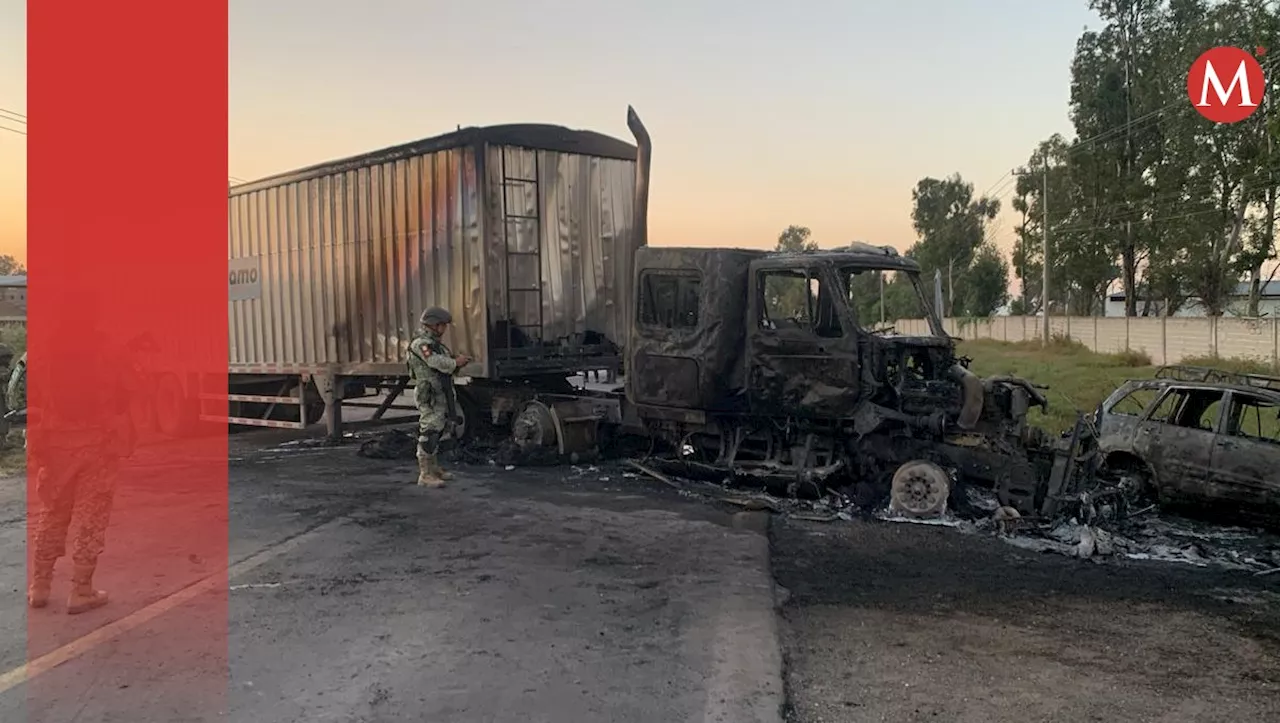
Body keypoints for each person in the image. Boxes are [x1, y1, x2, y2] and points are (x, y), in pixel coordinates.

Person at [27, 342, 134, 614]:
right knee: (91, 517)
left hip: (55, 448)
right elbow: (125, 396)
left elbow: (29, 396)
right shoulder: (107, 350)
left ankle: (39, 586)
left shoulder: (43, 353)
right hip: (97, 447)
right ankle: (81, 590)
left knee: (52, 512)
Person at [406, 307, 471, 487]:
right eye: (442, 325)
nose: (445, 329)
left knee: (438, 429)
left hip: (440, 392)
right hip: (430, 394)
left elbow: (444, 363)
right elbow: (433, 362)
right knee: (430, 431)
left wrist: (456, 362)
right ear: (434, 325)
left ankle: (433, 468)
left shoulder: (437, 345)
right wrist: (454, 362)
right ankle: (425, 474)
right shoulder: (421, 344)